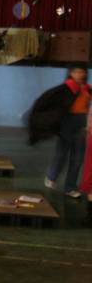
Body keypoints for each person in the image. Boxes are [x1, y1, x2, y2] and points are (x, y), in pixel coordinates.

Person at [31, 64, 90, 199]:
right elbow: (51, 102)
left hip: (81, 124)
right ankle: (51, 176)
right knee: (61, 155)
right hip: (67, 124)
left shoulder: (87, 89)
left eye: (82, 72)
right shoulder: (66, 88)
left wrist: (88, 123)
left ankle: (70, 187)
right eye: (76, 72)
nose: (79, 74)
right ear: (71, 73)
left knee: (78, 158)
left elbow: (87, 107)